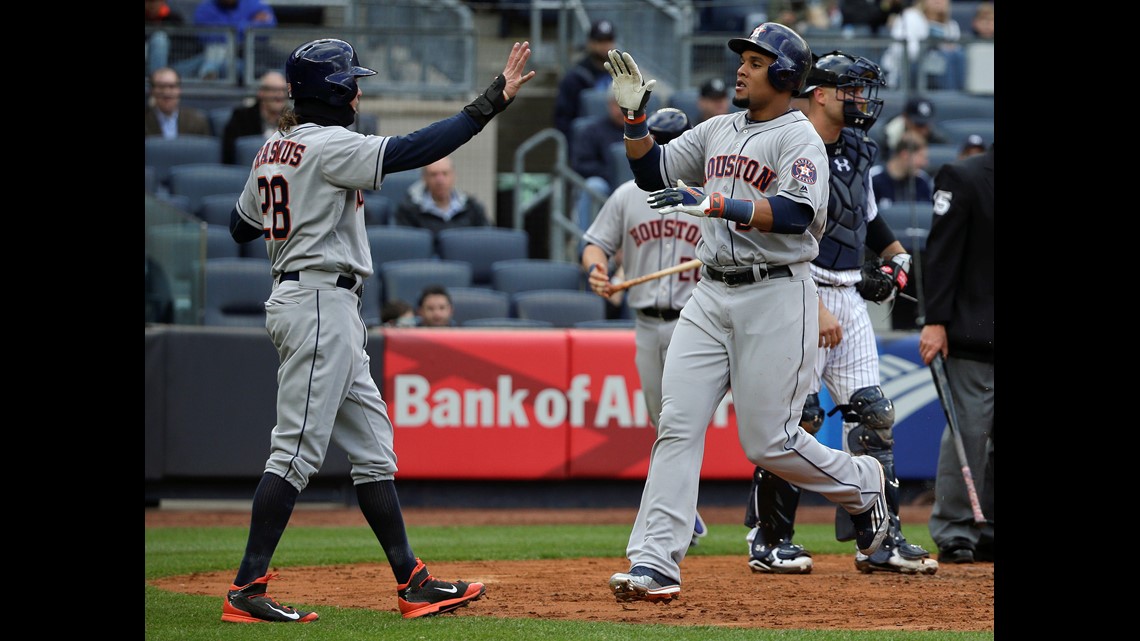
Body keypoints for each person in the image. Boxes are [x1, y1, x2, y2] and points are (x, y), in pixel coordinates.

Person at [224, 37, 534, 623]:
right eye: (351, 83)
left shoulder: (274, 148)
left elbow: (240, 226)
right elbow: (417, 148)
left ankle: (411, 582)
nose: (359, 91)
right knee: (293, 453)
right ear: (333, 91)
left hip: (313, 297)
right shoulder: (329, 143)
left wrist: (296, 213)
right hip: (319, 300)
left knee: (372, 451)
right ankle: (245, 588)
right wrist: (492, 101)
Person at [602, 23, 891, 604]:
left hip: (776, 292)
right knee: (678, 426)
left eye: (756, 62)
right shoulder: (718, 129)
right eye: (745, 60)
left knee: (770, 443)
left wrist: (714, 202)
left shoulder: (799, 137)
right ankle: (655, 562)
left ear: (785, 76)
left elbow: (791, 211)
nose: (742, 69)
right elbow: (652, 172)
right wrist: (634, 123)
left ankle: (865, 484)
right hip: (710, 294)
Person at [743, 51, 937, 576]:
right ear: (820, 93)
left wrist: (894, 258)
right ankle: (769, 539)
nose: (860, 100)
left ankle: (880, 540)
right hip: (794, 288)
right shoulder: (787, 142)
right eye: (851, 89)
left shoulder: (858, 146)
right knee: (797, 419)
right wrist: (810, 295)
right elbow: (779, 228)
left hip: (847, 293)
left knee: (874, 416)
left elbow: (865, 218)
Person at [581, 107, 707, 547]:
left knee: (678, 420)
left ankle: (674, 515)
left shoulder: (706, 198)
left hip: (697, 323)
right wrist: (597, 270)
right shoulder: (626, 195)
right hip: (646, 323)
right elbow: (596, 245)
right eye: (661, 140)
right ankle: (683, 511)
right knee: (662, 422)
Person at [918, 142, 994, 564]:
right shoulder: (964, 176)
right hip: (973, 331)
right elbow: (942, 255)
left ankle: (990, 530)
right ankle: (954, 529)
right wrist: (935, 319)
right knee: (970, 431)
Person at [393, 156, 489, 252]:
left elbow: (485, 241)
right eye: (434, 174)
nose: (440, 180)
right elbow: (408, 247)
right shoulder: (408, 210)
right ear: (424, 178)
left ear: (453, 176)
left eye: (445, 173)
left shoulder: (472, 207)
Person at [179, 0, 277, 81]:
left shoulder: (253, 4)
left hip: (243, 57)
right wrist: (248, 24)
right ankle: (208, 71)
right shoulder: (205, 8)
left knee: (234, 65)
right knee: (217, 49)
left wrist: (232, 29)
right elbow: (208, 37)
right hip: (211, 53)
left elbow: (267, 28)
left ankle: (208, 71)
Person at [570, 90, 626, 232]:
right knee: (594, 185)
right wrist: (611, 172)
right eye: (617, 105)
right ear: (609, 105)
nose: (622, 110)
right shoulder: (592, 131)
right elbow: (581, 164)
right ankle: (585, 246)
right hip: (606, 183)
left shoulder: (645, 130)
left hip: (639, 184)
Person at [553, 19, 616, 141]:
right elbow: (563, 118)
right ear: (590, 43)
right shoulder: (575, 77)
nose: (605, 46)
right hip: (587, 140)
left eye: (609, 40)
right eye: (600, 41)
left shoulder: (620, 73)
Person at [880, 0, 965, 91]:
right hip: (904, 73)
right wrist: (932, 44)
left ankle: (954, 97)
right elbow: (901, 52)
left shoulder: (951, 25)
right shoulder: (910, 16)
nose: (939, 1)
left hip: (937, 73)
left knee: (956, 55)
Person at [221, 70, 289, 164]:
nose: (280, 95)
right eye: (274, 90)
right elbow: (229, 156)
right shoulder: (241, 118)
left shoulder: (294, 121)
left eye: (283, 90)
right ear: (261, 92)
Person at [870, 131, 934, 209]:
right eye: (921, 157)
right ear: (905, 155)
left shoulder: (922, 180)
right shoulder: (873, 178)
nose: (925, 163)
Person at [144, 66, 211, 138]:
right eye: (161, 87)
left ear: (179, 90)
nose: (167, 92)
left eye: (172, 86)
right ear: (152, 91)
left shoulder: (197, 121)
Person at [882, 95, 947, 152]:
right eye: (919, 125)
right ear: (905, 118)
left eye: (926, 125)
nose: (923, 130)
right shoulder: (889, 135)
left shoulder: (938, 140)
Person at [145, 0, 189, 75]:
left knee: (212, 54)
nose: (152, 5)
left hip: (174, 64)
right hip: (147, 63)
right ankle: (158, 82)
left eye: (154, 1)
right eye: (148, 1)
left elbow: (188, 45)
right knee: (159, 39)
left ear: (162, 2)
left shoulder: (174, 18)